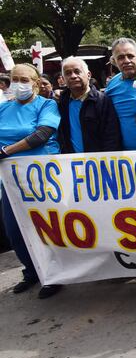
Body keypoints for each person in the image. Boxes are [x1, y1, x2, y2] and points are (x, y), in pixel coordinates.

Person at [0, 63, 62, 299]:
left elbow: (41, 135)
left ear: (36, 83)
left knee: (44, 228)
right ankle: (31, 272)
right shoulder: (3, 109)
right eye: (14, 79)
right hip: (11, 180)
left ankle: (53, 275)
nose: (18, 84)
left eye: (24, 79)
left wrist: (6, 151)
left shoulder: (46, 105)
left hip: (40, 177)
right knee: (14, 230)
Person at [58, 56, 122, 153]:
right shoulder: (61, 102)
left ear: (88, 75)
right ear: (63, 79)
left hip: (97, 163)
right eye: (68, 73)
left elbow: (111, 137)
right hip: (69, 163)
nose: (73, 76)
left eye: (77, 71)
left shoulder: (102, 101)